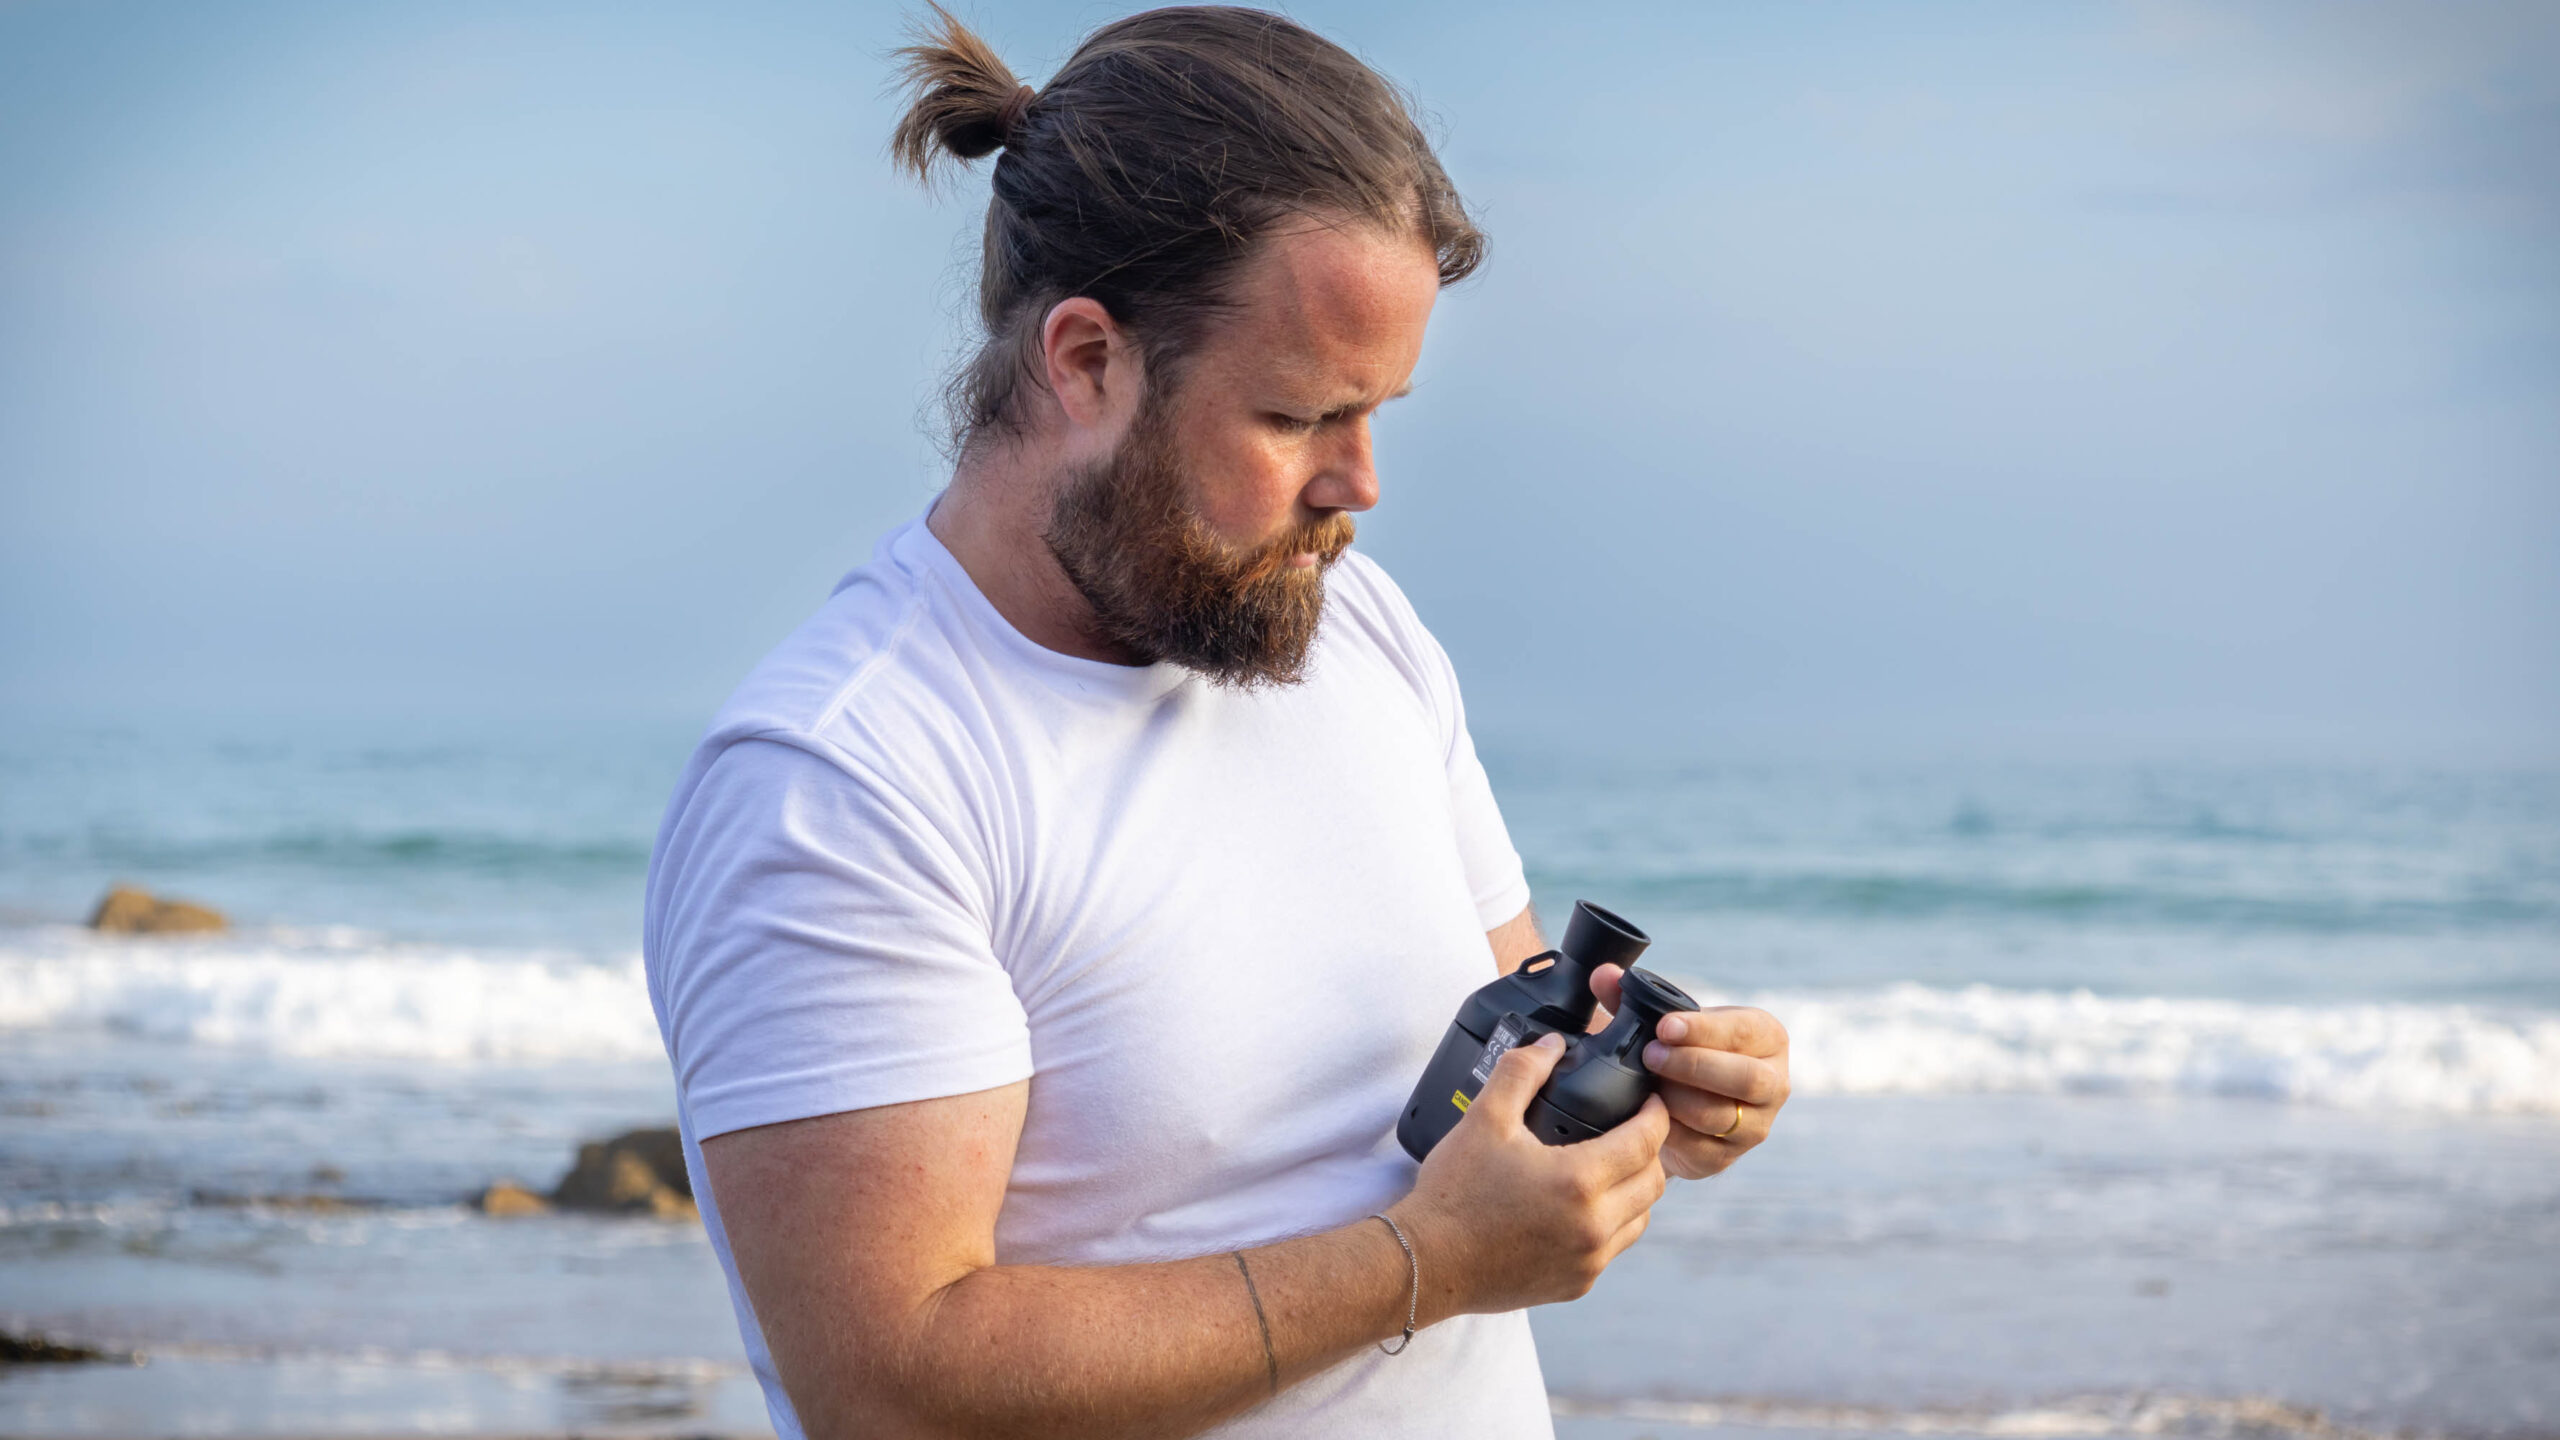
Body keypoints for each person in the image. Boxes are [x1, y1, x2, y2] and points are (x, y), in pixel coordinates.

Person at [642, 7, 1792, 1438]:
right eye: (1303, 415)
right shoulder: (846, 779)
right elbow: (891, 1386)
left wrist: (1651, 1099)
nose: (1360, 485)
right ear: (1086, 362)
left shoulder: (1358, 634)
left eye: (1382, 413)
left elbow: (1508, 1049)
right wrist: (1425, 1264)